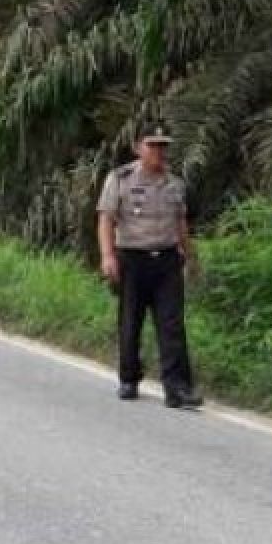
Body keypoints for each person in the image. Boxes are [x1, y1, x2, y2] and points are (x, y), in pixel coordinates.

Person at [97, 122, 203, 409]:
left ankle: (177, 388)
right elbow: (106, 218)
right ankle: (129, 378)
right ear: (137, 147)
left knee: (172, 324)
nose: (159, 150)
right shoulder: (120, 179)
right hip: (131, 259)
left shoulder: (175, 183)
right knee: (130, 322)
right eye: (152, 144)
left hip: (167, 260)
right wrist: (107, 256)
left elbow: (181, 222)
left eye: (163, 145)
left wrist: (190, 256)